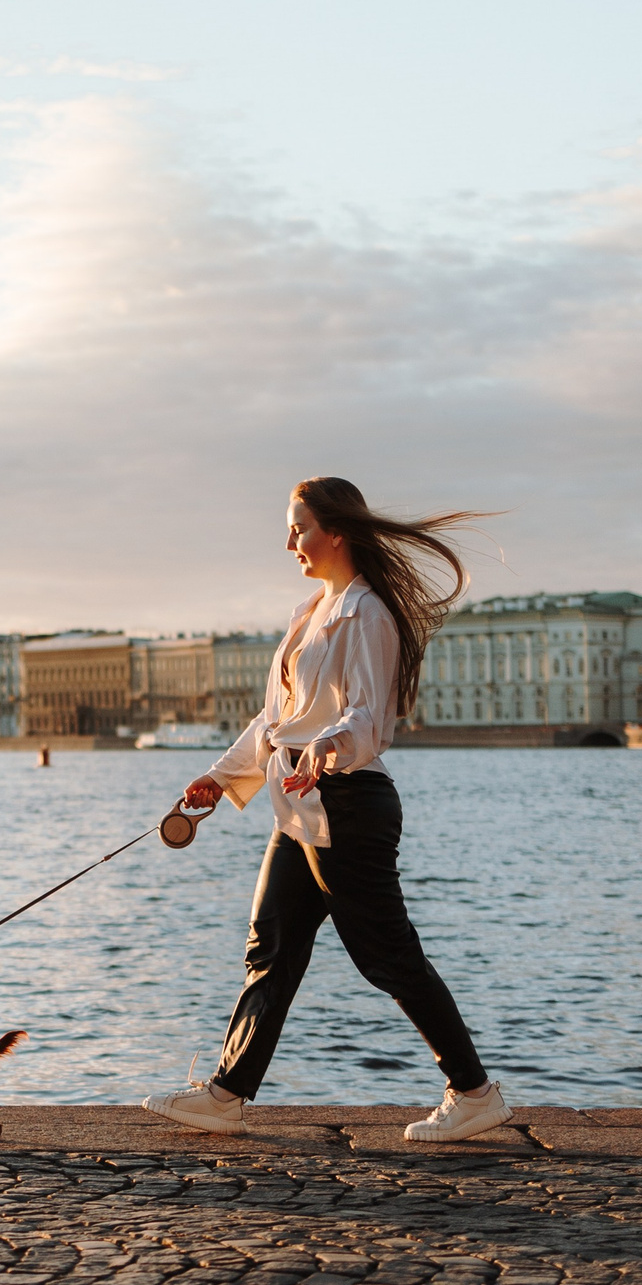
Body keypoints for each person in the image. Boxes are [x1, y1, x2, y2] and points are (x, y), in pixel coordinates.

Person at [142, 476, 510, 1142]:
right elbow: (275, 722)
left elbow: (369, 718)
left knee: (388, 958)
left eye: (300, 528)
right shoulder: (315, 609)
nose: (290, 542)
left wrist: (325, 750)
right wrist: (218, 780)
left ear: (336, 532)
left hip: (347, 802)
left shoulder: (366, 614)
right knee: (272, 947)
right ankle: (226, 1094)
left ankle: (475, 1093)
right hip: (300, 806)